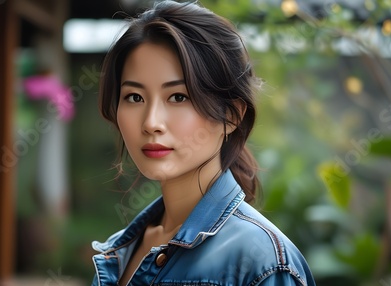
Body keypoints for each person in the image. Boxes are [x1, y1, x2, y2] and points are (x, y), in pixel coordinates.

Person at [91, 1, 315, 285]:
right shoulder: (116, 252)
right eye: (135, 97)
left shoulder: (263, 263)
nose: (151, 122)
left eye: (178, 97)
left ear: (232, 115)